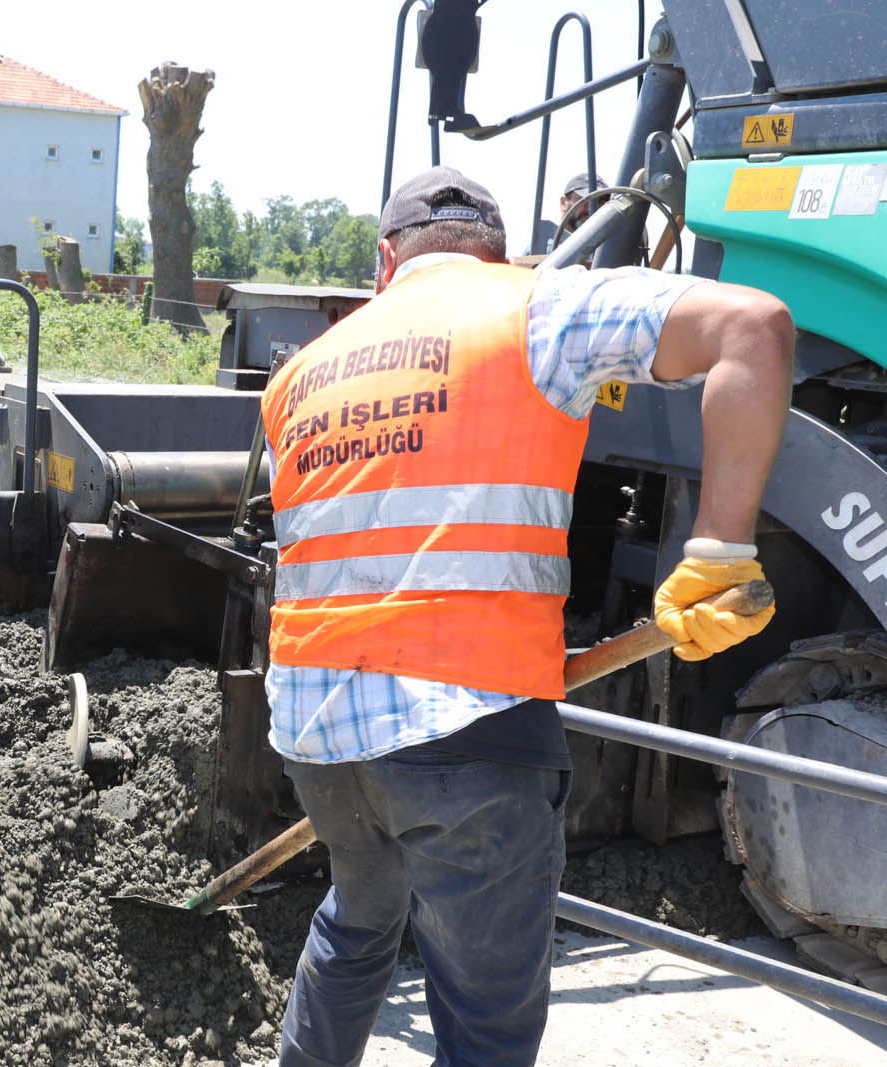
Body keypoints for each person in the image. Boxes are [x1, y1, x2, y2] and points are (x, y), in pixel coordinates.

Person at [262, 166, 794, 1066]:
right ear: (497, 252)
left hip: (318, 740)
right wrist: (717, 549)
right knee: (484, 1027)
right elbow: (754, 326)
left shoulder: (302, 375)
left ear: (387, 259)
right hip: (466, 731)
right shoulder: (533, 309)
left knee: (358, 921)